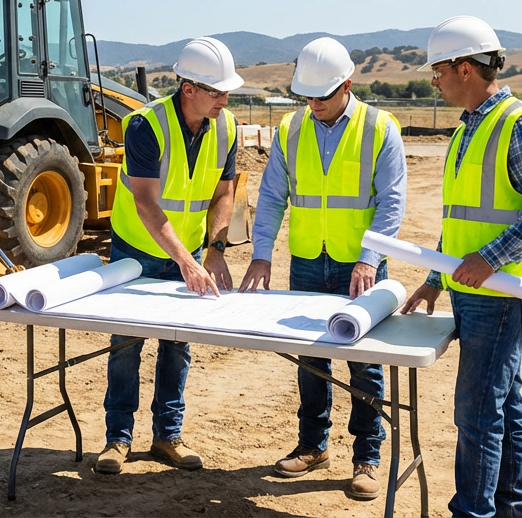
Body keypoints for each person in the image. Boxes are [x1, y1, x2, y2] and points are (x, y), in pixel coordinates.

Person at [402, 16, 522, 518]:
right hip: (477, 290)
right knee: (503, 407)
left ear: (466, 68)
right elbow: (460, 220)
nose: (435, 81)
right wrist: (434, 279)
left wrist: (488, 259)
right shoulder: (471, 128)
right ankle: (515, 509)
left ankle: (472, 513)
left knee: (476, 413)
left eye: (438, 72)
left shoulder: (519, 125)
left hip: (503, 294)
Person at [239, 37, 407, 501]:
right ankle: (313, 445)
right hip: (309, 262)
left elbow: (392, 204)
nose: (313, 104)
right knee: (311, 361)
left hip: (362, 266)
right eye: (306, 96)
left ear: (347, 85)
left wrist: (369, 258)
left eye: (322, 96)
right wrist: (261, 253)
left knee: (365, 364)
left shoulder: (379, 128)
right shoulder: (292, 130)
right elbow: (273, 196)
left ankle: (366, 457)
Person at [96, 37, 241, 475]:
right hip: (136, 252)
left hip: (190, 251)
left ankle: (167, 437)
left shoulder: (227, 127)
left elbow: (224, 192)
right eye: (216, 91)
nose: (224, 99)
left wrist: (214, 248)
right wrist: (185, 260)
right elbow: (146, 204)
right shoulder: (146, 126)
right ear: (188, 88)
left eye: (226, 91)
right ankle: (117, 439)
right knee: (126, 344)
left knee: (177, 346)